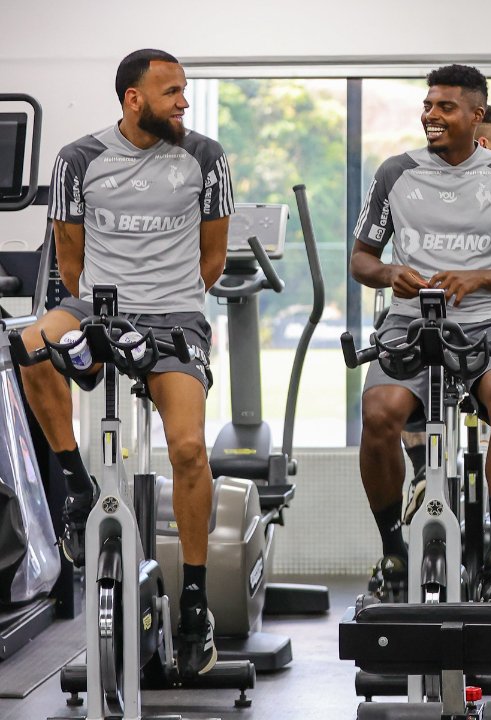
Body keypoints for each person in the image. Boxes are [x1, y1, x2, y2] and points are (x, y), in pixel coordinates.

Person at [21, 48, 233, 676]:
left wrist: (169, 301)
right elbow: (69, 259)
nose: (184, 102)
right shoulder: (78, 159)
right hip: (97, 305)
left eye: (185, 91)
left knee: (190, 449)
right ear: (134, 98)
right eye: (172, 92)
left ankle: (194, 598)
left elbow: (213, 256)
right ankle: (77, 488)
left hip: (174, 315)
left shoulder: (205, 156)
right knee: (30, 345)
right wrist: (104, 309)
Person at [351, 65, 491, 602]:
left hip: (488, 316)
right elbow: (360, 259)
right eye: (428, 106)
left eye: (445, 107)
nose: (431, 116)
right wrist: (388, 273)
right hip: (411, 318)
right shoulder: (395, 172)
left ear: (476, 115)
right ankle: (393, 547)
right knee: (379, 413)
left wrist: (481, 276)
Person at [395, 103, 491, 597]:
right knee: (410, 377)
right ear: (484, 143)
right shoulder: (430, 184)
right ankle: (425, 472)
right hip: (446, 320)